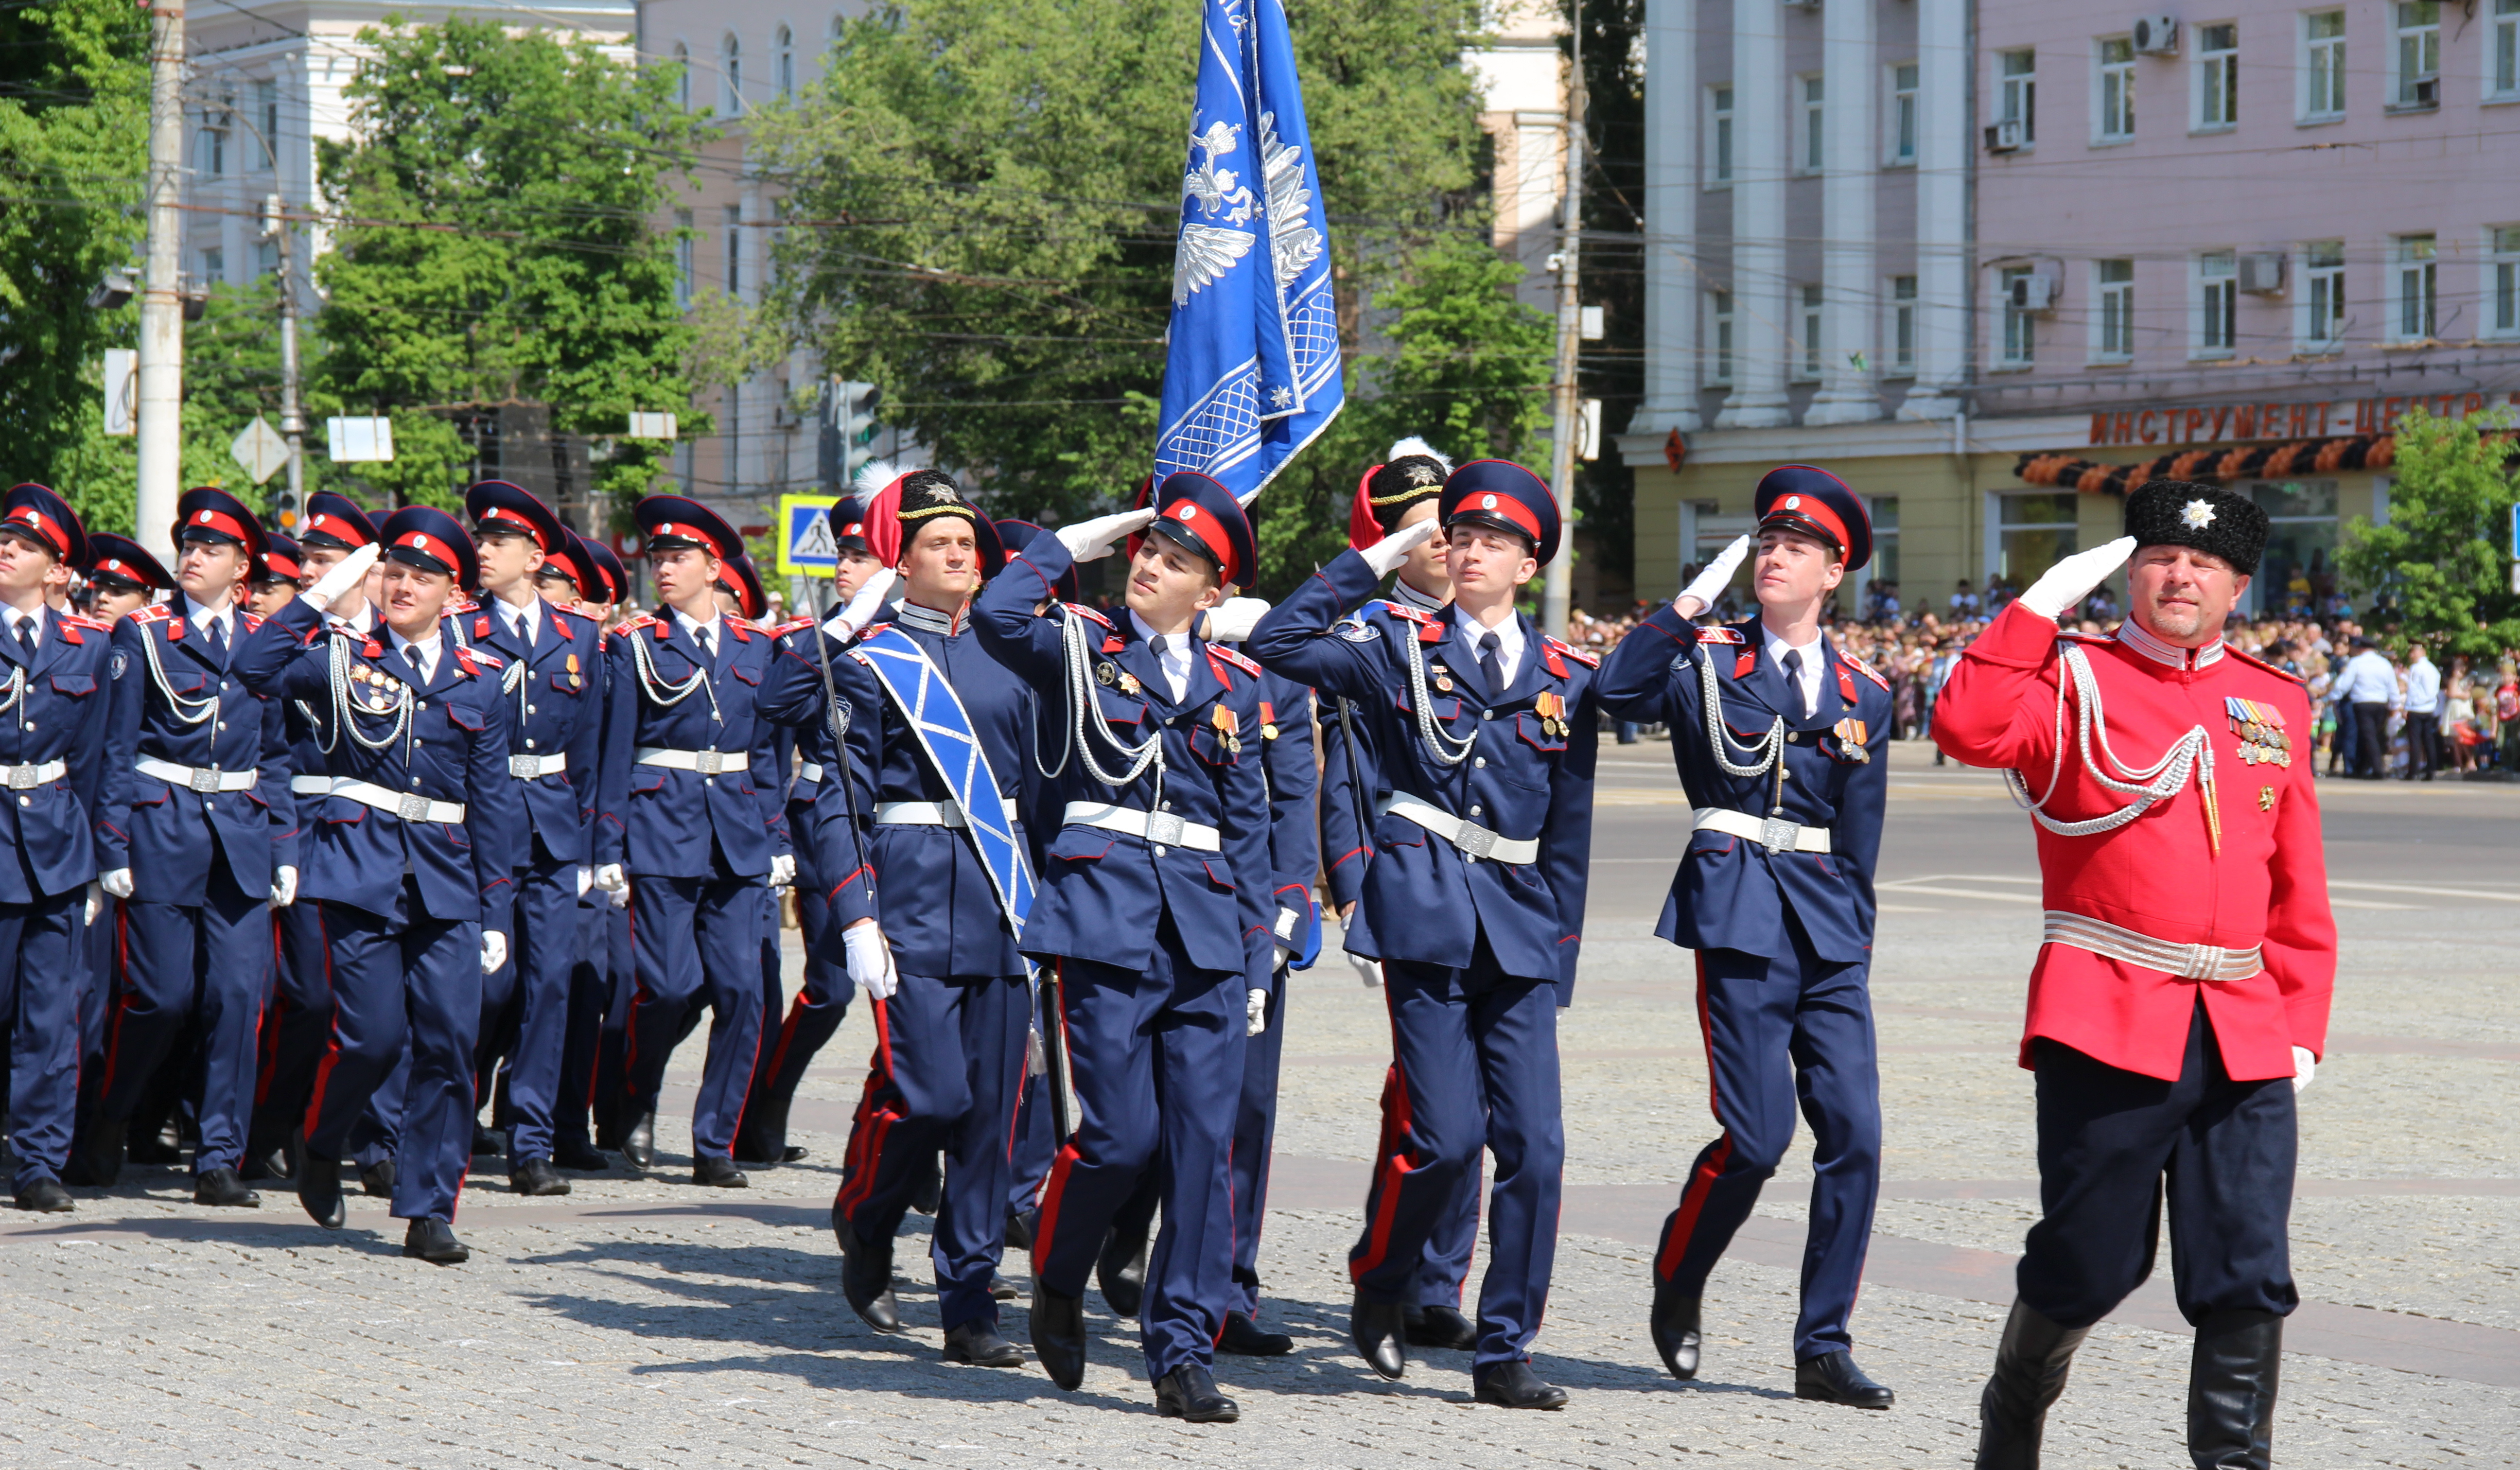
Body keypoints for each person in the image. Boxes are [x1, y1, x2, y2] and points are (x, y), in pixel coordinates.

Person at [1933, 479, 2335, 1470]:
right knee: (2091, 1263)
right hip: (2106, 1010)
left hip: (2241, 1023)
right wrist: (2032, 614)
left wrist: (2300, 1019)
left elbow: (2296, 876)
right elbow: (1967, 729)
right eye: (2159, 557)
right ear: (2128, 574)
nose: (2179, 576)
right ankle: (2014, 1412)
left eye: (2204, 563)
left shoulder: (2274, 698)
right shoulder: (2071, 681)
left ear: (2240, 584)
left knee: (2247, 1268)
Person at [1245, 458, 1599, 1411]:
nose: (1470, 548)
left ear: (1530, 564)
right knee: (1446, 1138)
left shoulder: (1562, 676)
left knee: (1537, 1146)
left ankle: (1506, 1348)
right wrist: (1375, 558)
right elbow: (1281, 642)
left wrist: (1561, 951)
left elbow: (1568, 828)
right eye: (1459, 535)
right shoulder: (1394, 648)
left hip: (1521, 928)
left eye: (1494, 540)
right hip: (1427, 914)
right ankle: (1384, 1276)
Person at [970, 472, 1274, 1424]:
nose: (1151, 566)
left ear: (1212, 594)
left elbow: (1253, 832)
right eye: (1150, 550)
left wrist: (1259, 954)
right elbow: (993, 615)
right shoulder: (1079, 646)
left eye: (1176, 561)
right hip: (1104, 922)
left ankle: (1183, 1353)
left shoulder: (1237, 686)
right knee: (1120, 1137)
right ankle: (1060, 1272)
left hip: (1209, 936)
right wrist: (1070, 542)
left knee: (1200, 1151)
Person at [1595, 466, 1896, 1409]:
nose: (1775, 557)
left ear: (1833, 572)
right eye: (1766, 543)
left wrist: (1857, 942)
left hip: (1828, 933)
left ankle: (1823, 1345)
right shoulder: (1706, 661)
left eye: (1796, 548)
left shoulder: (1866, 693)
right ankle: (1681, 1275)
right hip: (1736, 914)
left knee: (1856, 1136)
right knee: (1759, 1139)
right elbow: (1616, 687)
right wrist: (1690, 602)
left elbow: (1862, 835)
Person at [766, 468, 1035, 1368]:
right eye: (936, 544)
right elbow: (830, 790)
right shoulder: (873, 654)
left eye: (966, 544)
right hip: (911, 894)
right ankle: (867, 1214)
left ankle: (968, 1304)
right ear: (901, 561)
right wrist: (853, 912)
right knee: (932, 1093)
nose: (957, 557)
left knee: (991, 1115)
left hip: (1001, 899)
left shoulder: (1012, 650)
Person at [233, 510, 525, 1262]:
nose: (403, 587)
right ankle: (324, 1141)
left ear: (451, 592)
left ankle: (429, 1208)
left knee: (450, 1045)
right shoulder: (338, 656)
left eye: (421, 576)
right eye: (393, 572)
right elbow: (252, 668)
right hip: (359, 871)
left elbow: (493, 803)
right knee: (370, 1039)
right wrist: (319, 596)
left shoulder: (481, 681)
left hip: (447, 880)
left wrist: (496, 910)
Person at [1314, 438, 1484, 1355]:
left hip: (1492, 894)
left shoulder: (1490, 626)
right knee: (1423, 1098)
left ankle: (1435, 1278)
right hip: (1409, 882)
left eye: (1447, 522)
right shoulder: (1367, 633)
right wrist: (1353, 893)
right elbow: (1343, 774)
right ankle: (1393, 1263)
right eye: (1416, 524)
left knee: (1479, 1104)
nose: (1438, 539)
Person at [79, 488, 294, 1207]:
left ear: (242, 568)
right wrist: (110, 846)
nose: (193, 558)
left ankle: (219, 1157)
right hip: (160, 826)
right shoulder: (143, 633)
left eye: (211, 550)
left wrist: (285, 846)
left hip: (240, 833)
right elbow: (113, 749)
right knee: (162, 998)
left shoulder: (264, 642)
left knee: (238, 998)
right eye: (188, 547)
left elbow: (279, 754)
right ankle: (111, 1116)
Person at [592, 497, 790, 1187]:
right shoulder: (637, 645)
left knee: (742, 992)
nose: (665, 569)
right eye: (658, 559)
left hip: (736, 836)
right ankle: (635, 1100)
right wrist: (607, 847)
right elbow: (614, 752)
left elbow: (767, 753)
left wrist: (778, 835)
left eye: (679, 558)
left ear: (716, 568)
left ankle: (715, 1142)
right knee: (669, 988)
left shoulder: (757, 649)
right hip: (659, 831)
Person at [459, 481, 607, 1196]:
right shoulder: (460, 628)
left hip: (552, 827)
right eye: (480, 541)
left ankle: (532, 1142)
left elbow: (592, 746)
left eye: (496, 543)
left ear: (534, 556)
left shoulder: (577, 635)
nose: (481, 552)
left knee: (550, 986)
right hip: (479, 828)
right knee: (489, 987)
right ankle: (453, 1119)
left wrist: (590, 844)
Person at [735, 493, 882, 1167]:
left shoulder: (910, 637)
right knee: (829, 989)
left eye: (862, 556)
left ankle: (891, 1141)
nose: (845, 568)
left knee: (905, 999)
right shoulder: (814, 642)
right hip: (825, 825)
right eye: (843, 555)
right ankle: (764, 1108)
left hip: (901, 836)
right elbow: (769, 746)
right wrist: (775, 837)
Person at [0, 487, 114, 1212]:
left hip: (58, 847)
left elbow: (102, 760)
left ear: (56, 570)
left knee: (51, 1015)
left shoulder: (90, 646)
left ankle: (40, 1159)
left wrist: (102, 861)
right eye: (4, 538)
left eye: (25, 545)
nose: (6, 549)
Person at [2333, 636, 2395, 779]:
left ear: (2361, 648)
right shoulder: (2385, 663)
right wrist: (2395, 704)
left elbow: (2346, 684)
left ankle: (2377, 769)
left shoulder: (2356, 662)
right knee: (2376, 736)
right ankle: (2369, 767)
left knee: (2368, 737)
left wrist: (2335, 696)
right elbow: (2392, 685)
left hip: (2363, 703)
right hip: (2381, 703)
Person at [2401, 640, 2440, 782]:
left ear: (2422, 652)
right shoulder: (2433, 669)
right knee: (2429, 741)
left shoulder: (2417, 668)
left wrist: (2408, 707)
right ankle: (2431, 770)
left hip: (2417, 708)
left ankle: (2413, 772)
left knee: (2416, 741)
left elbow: (2413, 690)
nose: (2411, 655)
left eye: (2413, 652)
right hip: (2430, 708)